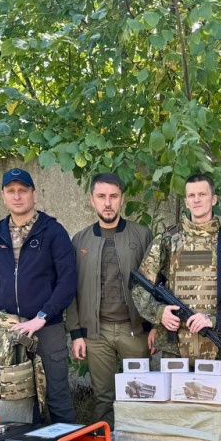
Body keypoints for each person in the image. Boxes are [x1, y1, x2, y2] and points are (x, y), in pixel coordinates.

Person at [0, 168, 78, 423]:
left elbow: (68, 280)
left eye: (23, 190)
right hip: (9, 329)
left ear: (34, 194)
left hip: (46, 327)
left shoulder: (53, 231)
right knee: (18, 396)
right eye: (11, 191)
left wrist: (42, 316)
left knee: (56, 393)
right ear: (3, 196)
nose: (17, 196)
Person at [65, 173, 154, 428]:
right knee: (103, 397)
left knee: (140, 394)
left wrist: (154, 327)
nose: (107, 203)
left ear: (122, 199)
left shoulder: (141, 235)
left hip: (134, 330)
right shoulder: (80, 240)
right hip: (96, 332)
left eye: (113, 196)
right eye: (101, 196)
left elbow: (157, 283)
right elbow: (71, 290)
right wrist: (76, 333)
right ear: (92, 200)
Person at [132, 173, 221, 365]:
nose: (197, 200)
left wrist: (214, 320)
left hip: (219, 348)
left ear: (214, 198)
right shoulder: (167, 240)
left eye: (202, 194)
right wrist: (159, 312)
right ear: (186, 201)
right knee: (175, 397)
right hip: (175, 348)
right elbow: (139, 286)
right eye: (192, 196)